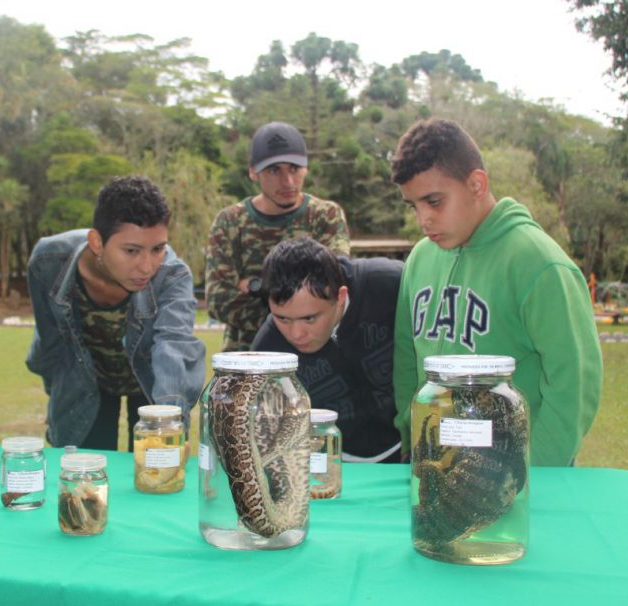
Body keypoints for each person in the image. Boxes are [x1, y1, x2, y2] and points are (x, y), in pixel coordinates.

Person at [390, 117, 602, 466]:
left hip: (514, 480)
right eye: (414, 206)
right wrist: (410, 436)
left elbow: (574, 385)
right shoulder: (419, 259)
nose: (423, 220)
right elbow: (405, 358)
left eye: (434, 202)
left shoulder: (540, 263)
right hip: (434, 469)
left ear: (476, 184)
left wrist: (531, 475)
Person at [26, 176, 206, 449]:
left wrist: (169, 422)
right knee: (84, 482)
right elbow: (52, 345)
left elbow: (174, 345)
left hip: (151, 383)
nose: (147, 267)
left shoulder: (172, 275)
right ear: (97, 242)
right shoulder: (47, 262)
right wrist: (59, 401)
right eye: (132, 251)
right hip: (88, 383)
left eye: (158, 249)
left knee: (156, 475)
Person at [252, 238, 403, 463]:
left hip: (414, 448)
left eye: (310, 318)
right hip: (331, 462)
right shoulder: (268, 351)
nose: (296, 334)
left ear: (340, 297)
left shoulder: (394, 284)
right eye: (282, 318)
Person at [206, 121, 351, 352]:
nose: (288, 182)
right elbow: (219, 301)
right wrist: (303, 309)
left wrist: (257, 287)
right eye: (274, 170)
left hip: (315, 362)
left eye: (294, 168)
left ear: (306, 168)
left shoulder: (326, 216)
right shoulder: (230, 222)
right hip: (248, 359)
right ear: (253, 172)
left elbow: (333, 286)